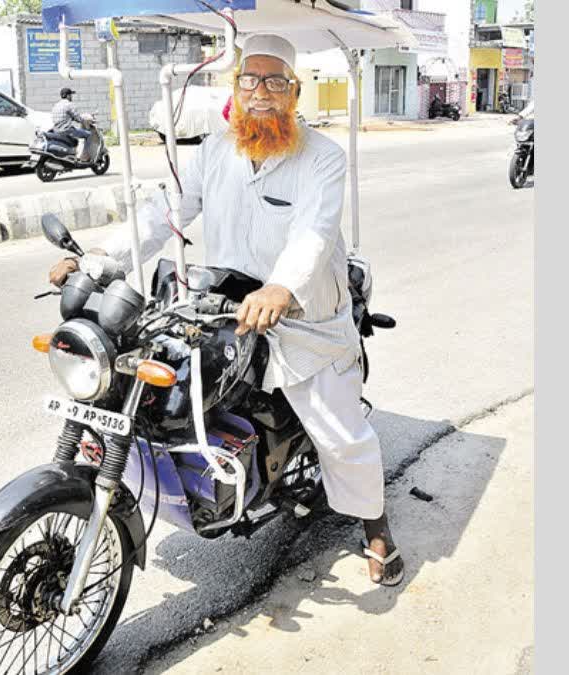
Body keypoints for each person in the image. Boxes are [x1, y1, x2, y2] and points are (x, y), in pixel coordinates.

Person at [48, 34, 405, 586]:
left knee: (339, 432)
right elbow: (166, 212)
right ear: (234, 87)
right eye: (250, 80)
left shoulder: (322, 158)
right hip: (222, 304)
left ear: (294, 91)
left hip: (304, 316)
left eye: (274, 82)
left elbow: (313, 232)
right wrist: (102, 257)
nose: (261, 93)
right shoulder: (215, 149)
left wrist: (281, 288)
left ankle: (376, 528)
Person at [51, 87, 91, 161]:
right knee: (88, 135)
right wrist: (85, 120)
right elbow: (78, 118)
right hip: (66, 130)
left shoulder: (56, 105)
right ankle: (84, 157)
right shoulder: (69, 104)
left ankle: (73, 154)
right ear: (68, 96)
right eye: (71, 95)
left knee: (75, 138)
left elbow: (63, 117)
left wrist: (72, 118)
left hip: (56, 130)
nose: (72, 97)